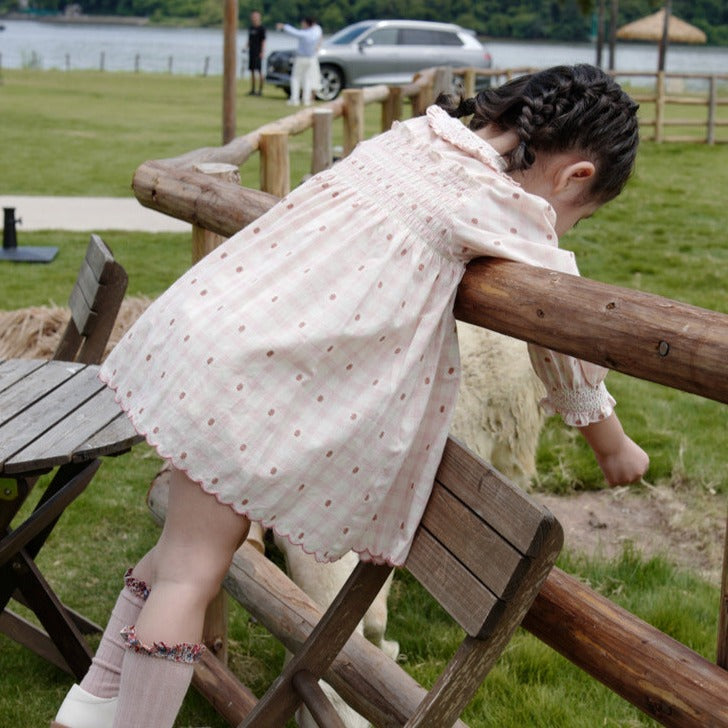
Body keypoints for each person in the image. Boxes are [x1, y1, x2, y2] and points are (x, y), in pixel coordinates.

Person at [51, 64, 649, 728]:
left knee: (178, 553)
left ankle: (95, 704)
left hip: (216, 336)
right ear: (574, 179)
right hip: (249, 379)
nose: (558, 227)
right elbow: (561, 329)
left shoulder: (417, 137)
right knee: (192, 572)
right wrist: (611, 442)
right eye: (575, 216)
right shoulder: (502, 204)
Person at [276, 16, 322, 106]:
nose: (302, 24)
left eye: (303, 23)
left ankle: (295, 99)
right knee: (307, 79)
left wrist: (284, 26)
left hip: (301, 58)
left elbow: (294, 32)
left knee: (295, 78)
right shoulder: (316, 31)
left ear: (307, 24)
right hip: (311, 58)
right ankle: (306, 100)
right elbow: (318, 30)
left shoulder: (305, 34)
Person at [245, 10, 266, 96]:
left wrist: (262, 51)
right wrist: (246, 46)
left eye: (256, 16)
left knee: (259, 71)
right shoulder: (251, 28)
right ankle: (253, 89)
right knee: (252, 71)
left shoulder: (261, 28)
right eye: (253, 16)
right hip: (251, 52)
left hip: (258, 52)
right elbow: (249, 40)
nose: (254, 18)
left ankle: (260, 90)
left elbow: (263, 41)